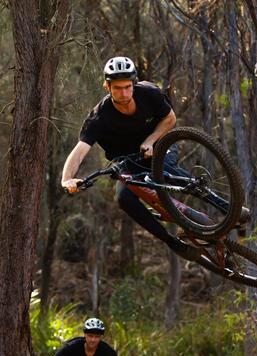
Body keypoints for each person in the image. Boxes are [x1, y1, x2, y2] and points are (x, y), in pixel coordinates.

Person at [61, 55, 199, 261]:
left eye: (127, 87)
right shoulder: (99, 118)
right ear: (107, 86)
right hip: (129, 162)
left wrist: (151, 141)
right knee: (124, 198)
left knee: (162, 171)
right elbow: (79, 151)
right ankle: (172, 241)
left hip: (159, 146)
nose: (124, 93)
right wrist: (67, 179)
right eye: (117, 88)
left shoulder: (149, 93)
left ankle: (222, 205)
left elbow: (170, 119)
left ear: (134, 83)